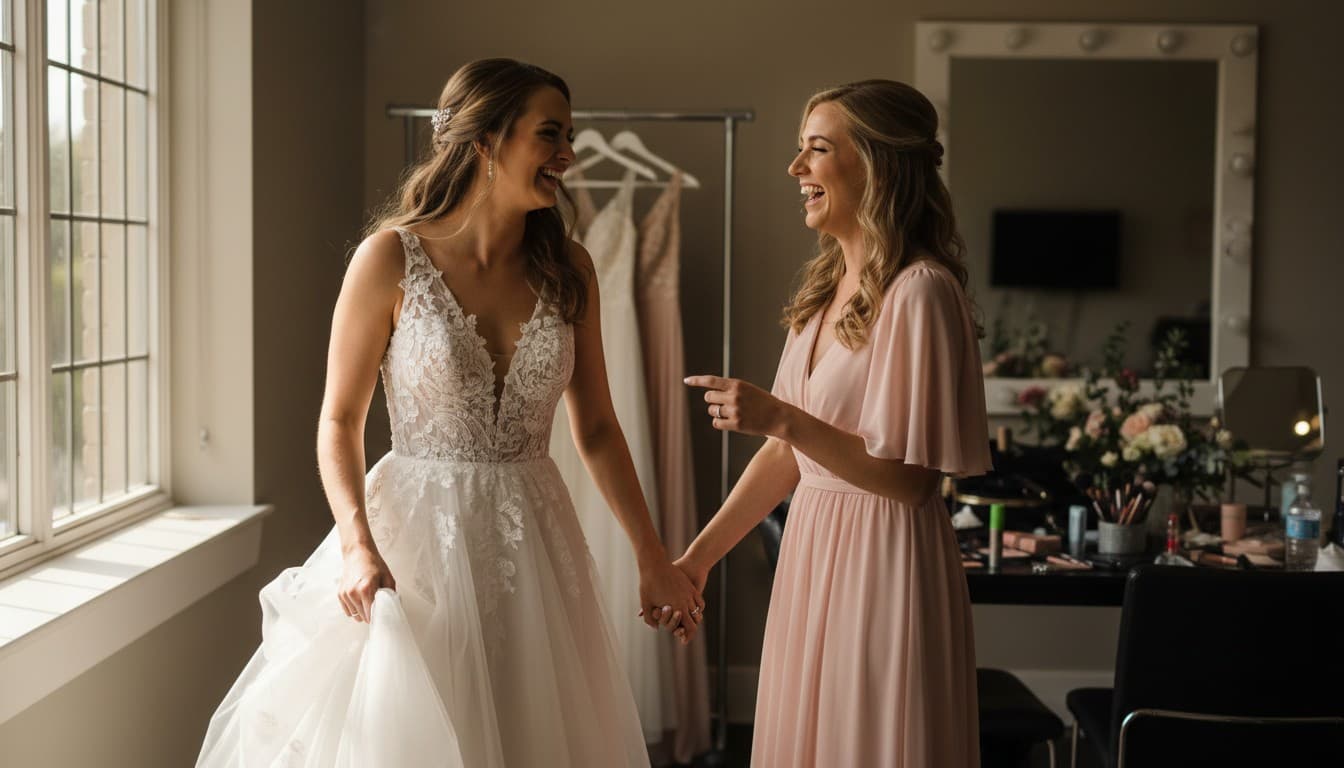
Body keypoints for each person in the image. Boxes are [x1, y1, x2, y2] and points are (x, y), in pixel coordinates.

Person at [197, 58, 702, 768]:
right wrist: (357, 546)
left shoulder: (572, 270)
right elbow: (338, 421)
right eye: (550, 133)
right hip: (414, 547)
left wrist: (652, 557)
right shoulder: (388, 259)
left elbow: (595, 428)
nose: (568, 154)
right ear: (486, 140)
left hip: (533, 547)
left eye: (569, 135)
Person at [680, 80, 992, 767]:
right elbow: (784, 454)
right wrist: (697, 560)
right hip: (813, 552)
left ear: (876, 166)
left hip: (884, 562)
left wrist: (782, 418)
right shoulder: (822, 294)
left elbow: (912, 482)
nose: (796, 168)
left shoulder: (921, 293)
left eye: (817, 150)